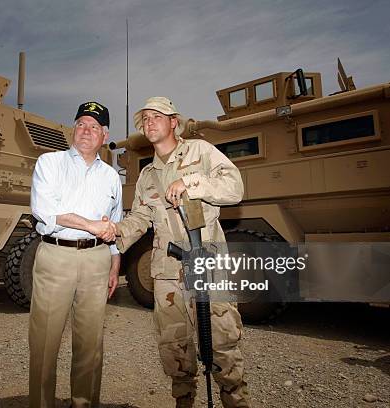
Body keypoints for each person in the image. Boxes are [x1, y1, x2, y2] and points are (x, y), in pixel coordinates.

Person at [111, 97, 250, 407]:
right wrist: (114, 233)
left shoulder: (199, 151)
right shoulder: (148, 175)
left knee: (223, 340)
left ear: (173, 122)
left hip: (208, 262)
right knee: (174, 345)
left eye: (156, 116)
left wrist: (191, 182)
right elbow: (140, 218)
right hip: (167, 271)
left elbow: (235, 186)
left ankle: (236, 402)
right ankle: (183, 401)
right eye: (144, 119)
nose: (149, 123)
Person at [29, 101, 121, 408]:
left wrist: (114, 262)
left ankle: (84, 403)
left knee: (90, 344)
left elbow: (114, 223)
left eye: (94, 127)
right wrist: (91, 225)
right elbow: (46, 211)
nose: (86, 131)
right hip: (57, 256)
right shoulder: (49, 163)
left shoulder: (111, 177)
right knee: (45, 342)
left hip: (97, 261)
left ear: (104, 136)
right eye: (81, 124)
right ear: (73, 129)